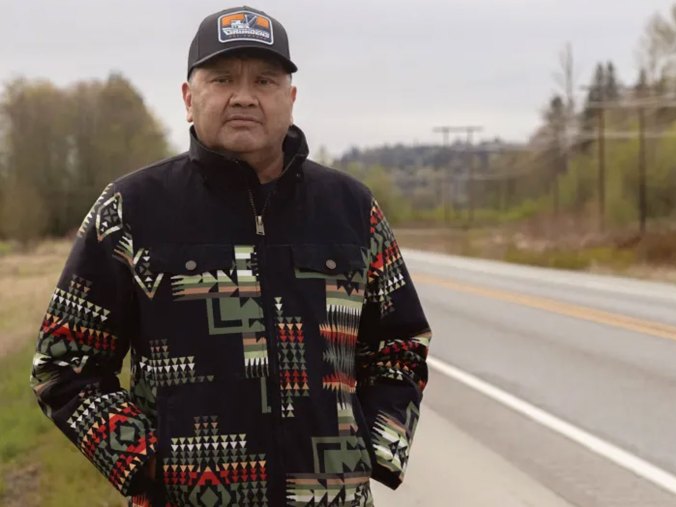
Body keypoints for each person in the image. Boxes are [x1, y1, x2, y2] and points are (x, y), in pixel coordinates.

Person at [29, 6, 431, 506]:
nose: (244, 96)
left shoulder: (352, 209)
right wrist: (149, 463)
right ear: (188, 98)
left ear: (291, 98)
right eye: (222, 79)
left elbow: (401, 347)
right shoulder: (130, 210)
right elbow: (63, 366)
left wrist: (374, 450)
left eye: (264, 80)